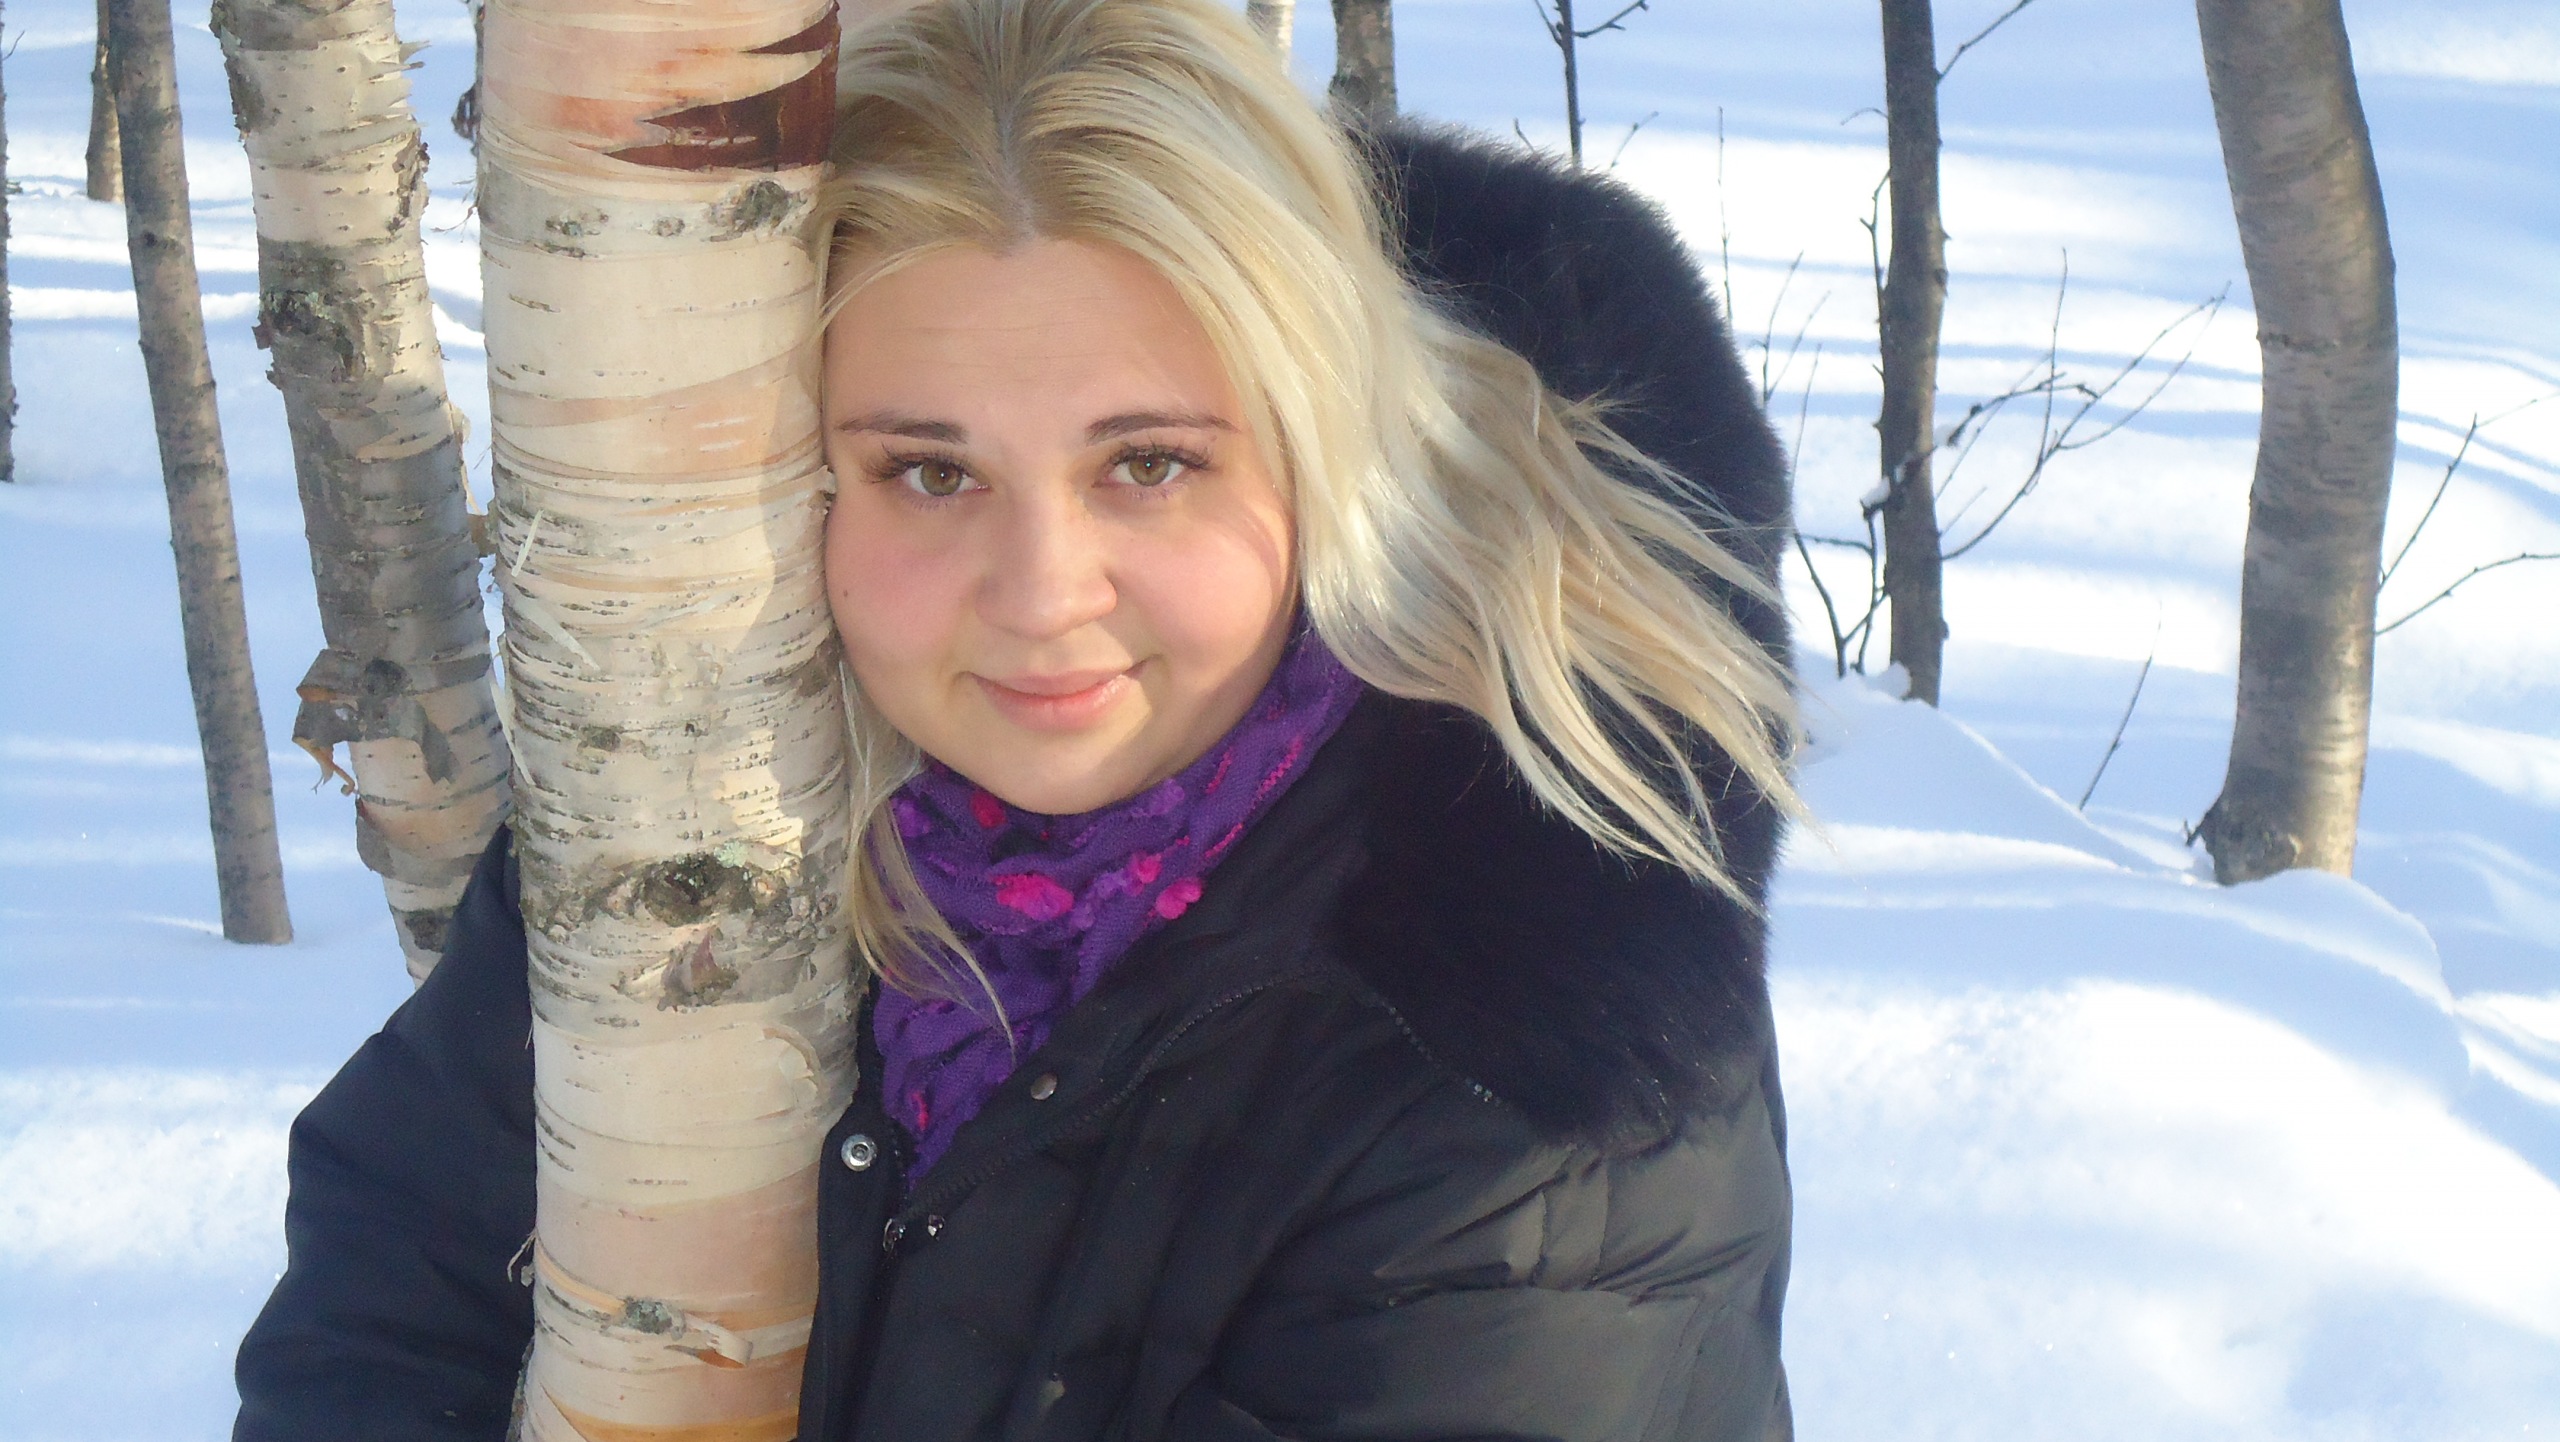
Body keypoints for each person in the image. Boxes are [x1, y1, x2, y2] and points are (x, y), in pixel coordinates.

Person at [232, 0, 1802, 1437]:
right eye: (931, 471)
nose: (1044, 594)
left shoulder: (1522, 1066)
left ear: (1330, 459)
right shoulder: (718, 791)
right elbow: (391, 1284)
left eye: (1149, 463)